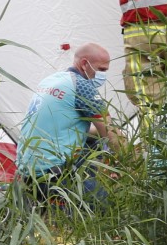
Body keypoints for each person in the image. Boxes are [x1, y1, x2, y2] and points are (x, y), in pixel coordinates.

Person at [15, 43, 123, 203]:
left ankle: (87, 182)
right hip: (52, 172)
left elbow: (76, 128)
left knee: (95, 141)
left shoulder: (51, 80)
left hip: (26, 169)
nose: (103, 75)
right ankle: (85, 194)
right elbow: (110, 131)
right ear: (85, 64)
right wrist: (128, 163)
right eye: (101, 70)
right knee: (106, 212)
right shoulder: (82, 86)